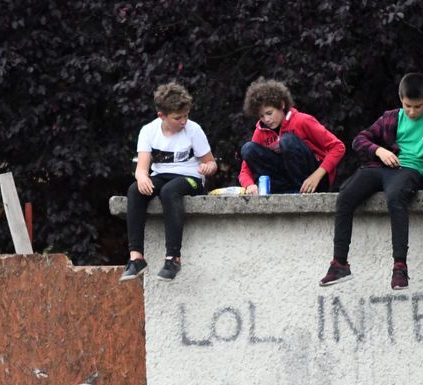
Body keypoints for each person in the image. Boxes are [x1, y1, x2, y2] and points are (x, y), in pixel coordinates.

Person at [319, 73, 423, 290]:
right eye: (407, 106)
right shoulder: (391, 117)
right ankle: (339, 264)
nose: (412, 112)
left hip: (412, 170)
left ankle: (400, 267)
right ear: (400, 99)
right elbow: (359, 140)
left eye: (418, 107)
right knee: (345, 197)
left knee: (395, 198)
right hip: (382, 166)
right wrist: (379, 150)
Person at [120, 82, 218, 283]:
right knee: (134, 190)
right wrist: (142, 178)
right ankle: (136, 258)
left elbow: (211, 162)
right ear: (161, 116)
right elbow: (141, 168)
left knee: (169, 191)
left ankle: (173, 258)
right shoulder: (148, 131)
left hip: (190, 179)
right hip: (162, 175)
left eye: (186, 115)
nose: (183, 121)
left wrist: (208, 167)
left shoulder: (193, 130)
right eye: (177, 117)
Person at [237, 78, 345, 195]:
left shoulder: (302, 120)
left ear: (282, 105)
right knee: (248, 149)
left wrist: (316, 176)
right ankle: (287, 191)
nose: (266, 119)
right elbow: (245, 170)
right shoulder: (260, 131)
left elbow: (338, 147)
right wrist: (249, 185)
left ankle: (301, 190)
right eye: (261, 116)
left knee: (287, 140)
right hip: (285, 183)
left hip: (314, 180)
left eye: (269, 113)